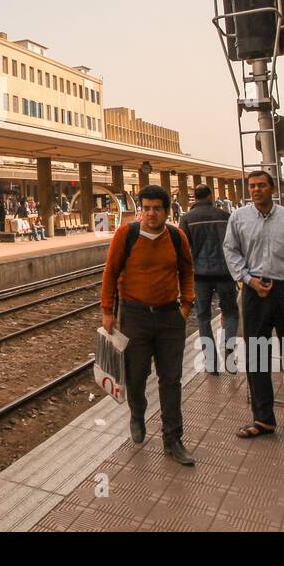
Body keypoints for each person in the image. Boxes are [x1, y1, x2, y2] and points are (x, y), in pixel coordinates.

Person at [223, 170, 284, 439]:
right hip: (256, 291)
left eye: (261, 185)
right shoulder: (239, 218)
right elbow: (231, 251)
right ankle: (263, 418)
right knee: (257, 355)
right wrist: (246, 279)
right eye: (252, 186)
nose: (256, 190)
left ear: (272, 188)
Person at [100, 185, 196, 465]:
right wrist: (108, 311)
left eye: (157, 208)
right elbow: (110, 272)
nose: (151, 214)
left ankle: (173, 439)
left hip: (169, 318)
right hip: (134, 316)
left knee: (171, 379)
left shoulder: (177, 237)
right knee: (136, 375)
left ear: (167, 211)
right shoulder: (126, 234)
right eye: (147, 208)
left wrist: (186, 305)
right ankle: (137, 413)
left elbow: (187, 270)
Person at [180, 184, 237, 374]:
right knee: (230, 312)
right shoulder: (224, 216)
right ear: (211, 196)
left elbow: (183, 250)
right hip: (225, 273)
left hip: (200, 275)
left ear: (194, 197)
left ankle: (210, 360)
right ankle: (229, 348)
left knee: (203, 317)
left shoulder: (187, 219)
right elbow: (233, 244)